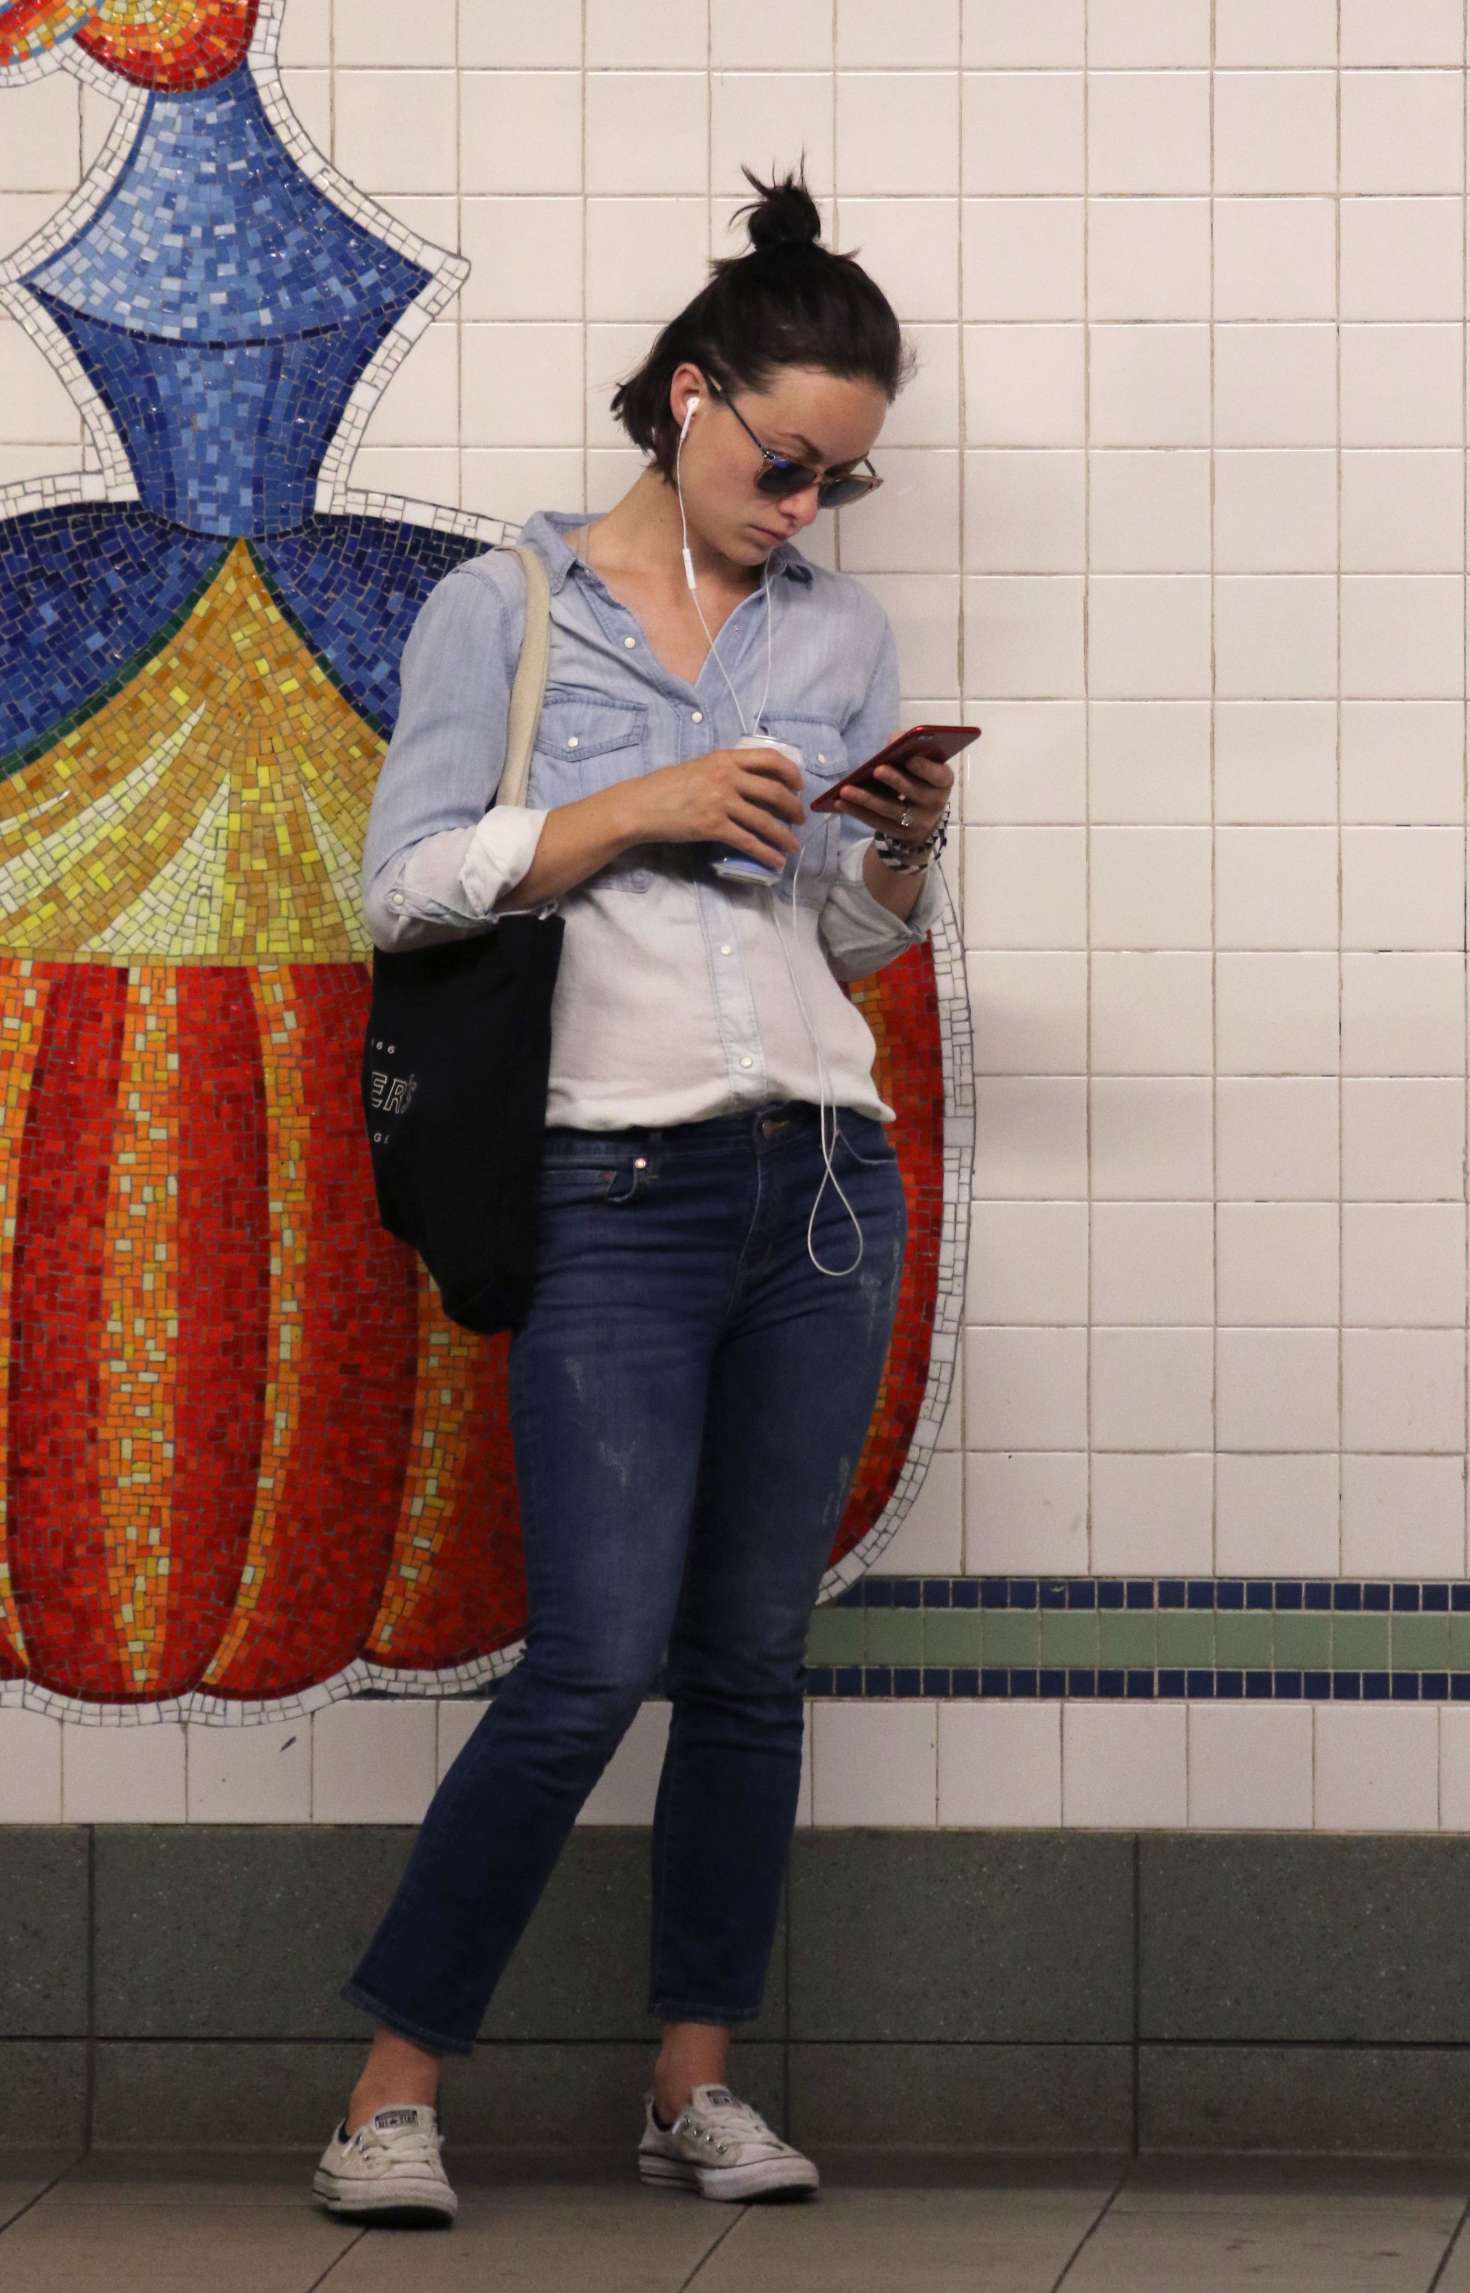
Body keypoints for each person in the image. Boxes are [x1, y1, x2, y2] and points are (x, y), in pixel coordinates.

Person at [313, 161, 955, 2228]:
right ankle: (387, 2098)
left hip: (822, 1183)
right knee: (591, 1662)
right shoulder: (504, 610)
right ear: (691, 400)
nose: (804, 508)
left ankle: (695, 2084)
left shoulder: (835, 632)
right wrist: (633, 805)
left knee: (750, 1662)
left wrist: (898, 846)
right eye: (784, 465)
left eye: (838, 480)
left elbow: (840, 939)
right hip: (612, 1183)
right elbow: (404, 889)